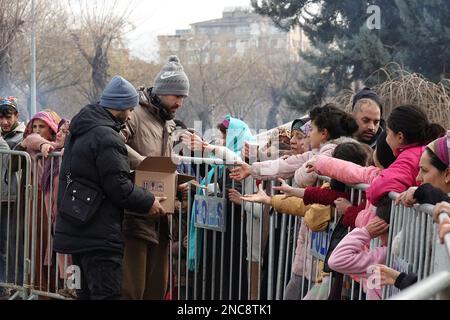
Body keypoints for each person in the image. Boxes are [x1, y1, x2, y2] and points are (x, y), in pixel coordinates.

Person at [53, 75, 166, 300]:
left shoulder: (82, 129)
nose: (132, 114)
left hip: (79, 227)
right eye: (131, 109)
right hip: (100, 235)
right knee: (106, 295)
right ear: (122, 106)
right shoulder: (107, 137)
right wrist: (149, 201)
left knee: (85, 295)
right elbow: (119, 187)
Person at [121, 55, 190, 300]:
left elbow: (164, 164)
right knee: (131, 289)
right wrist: (147, 166)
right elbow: (113, 144)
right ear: (161, 91)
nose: (180, 102)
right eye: (176, 96)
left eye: (183, 97)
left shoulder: (167, 123)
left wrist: (180, 184)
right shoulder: (134, 114)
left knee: (156, 289)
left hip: (161, 217)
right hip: (136, 213)